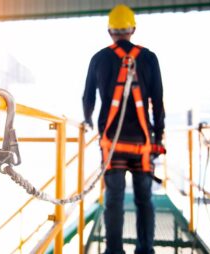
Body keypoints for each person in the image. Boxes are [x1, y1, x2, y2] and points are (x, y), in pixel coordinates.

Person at [82, 4, 165, 254]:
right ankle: (145, 250)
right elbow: (158, 102)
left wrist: (88, 122)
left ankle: (114, 251)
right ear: (133, 30)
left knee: (114, 201)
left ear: (110, 31)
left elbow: (87, 99)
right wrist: (157, 137)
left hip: (112, 145)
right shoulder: (149, 58)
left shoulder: (98, 59)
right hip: (142, 144)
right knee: (144, 200)